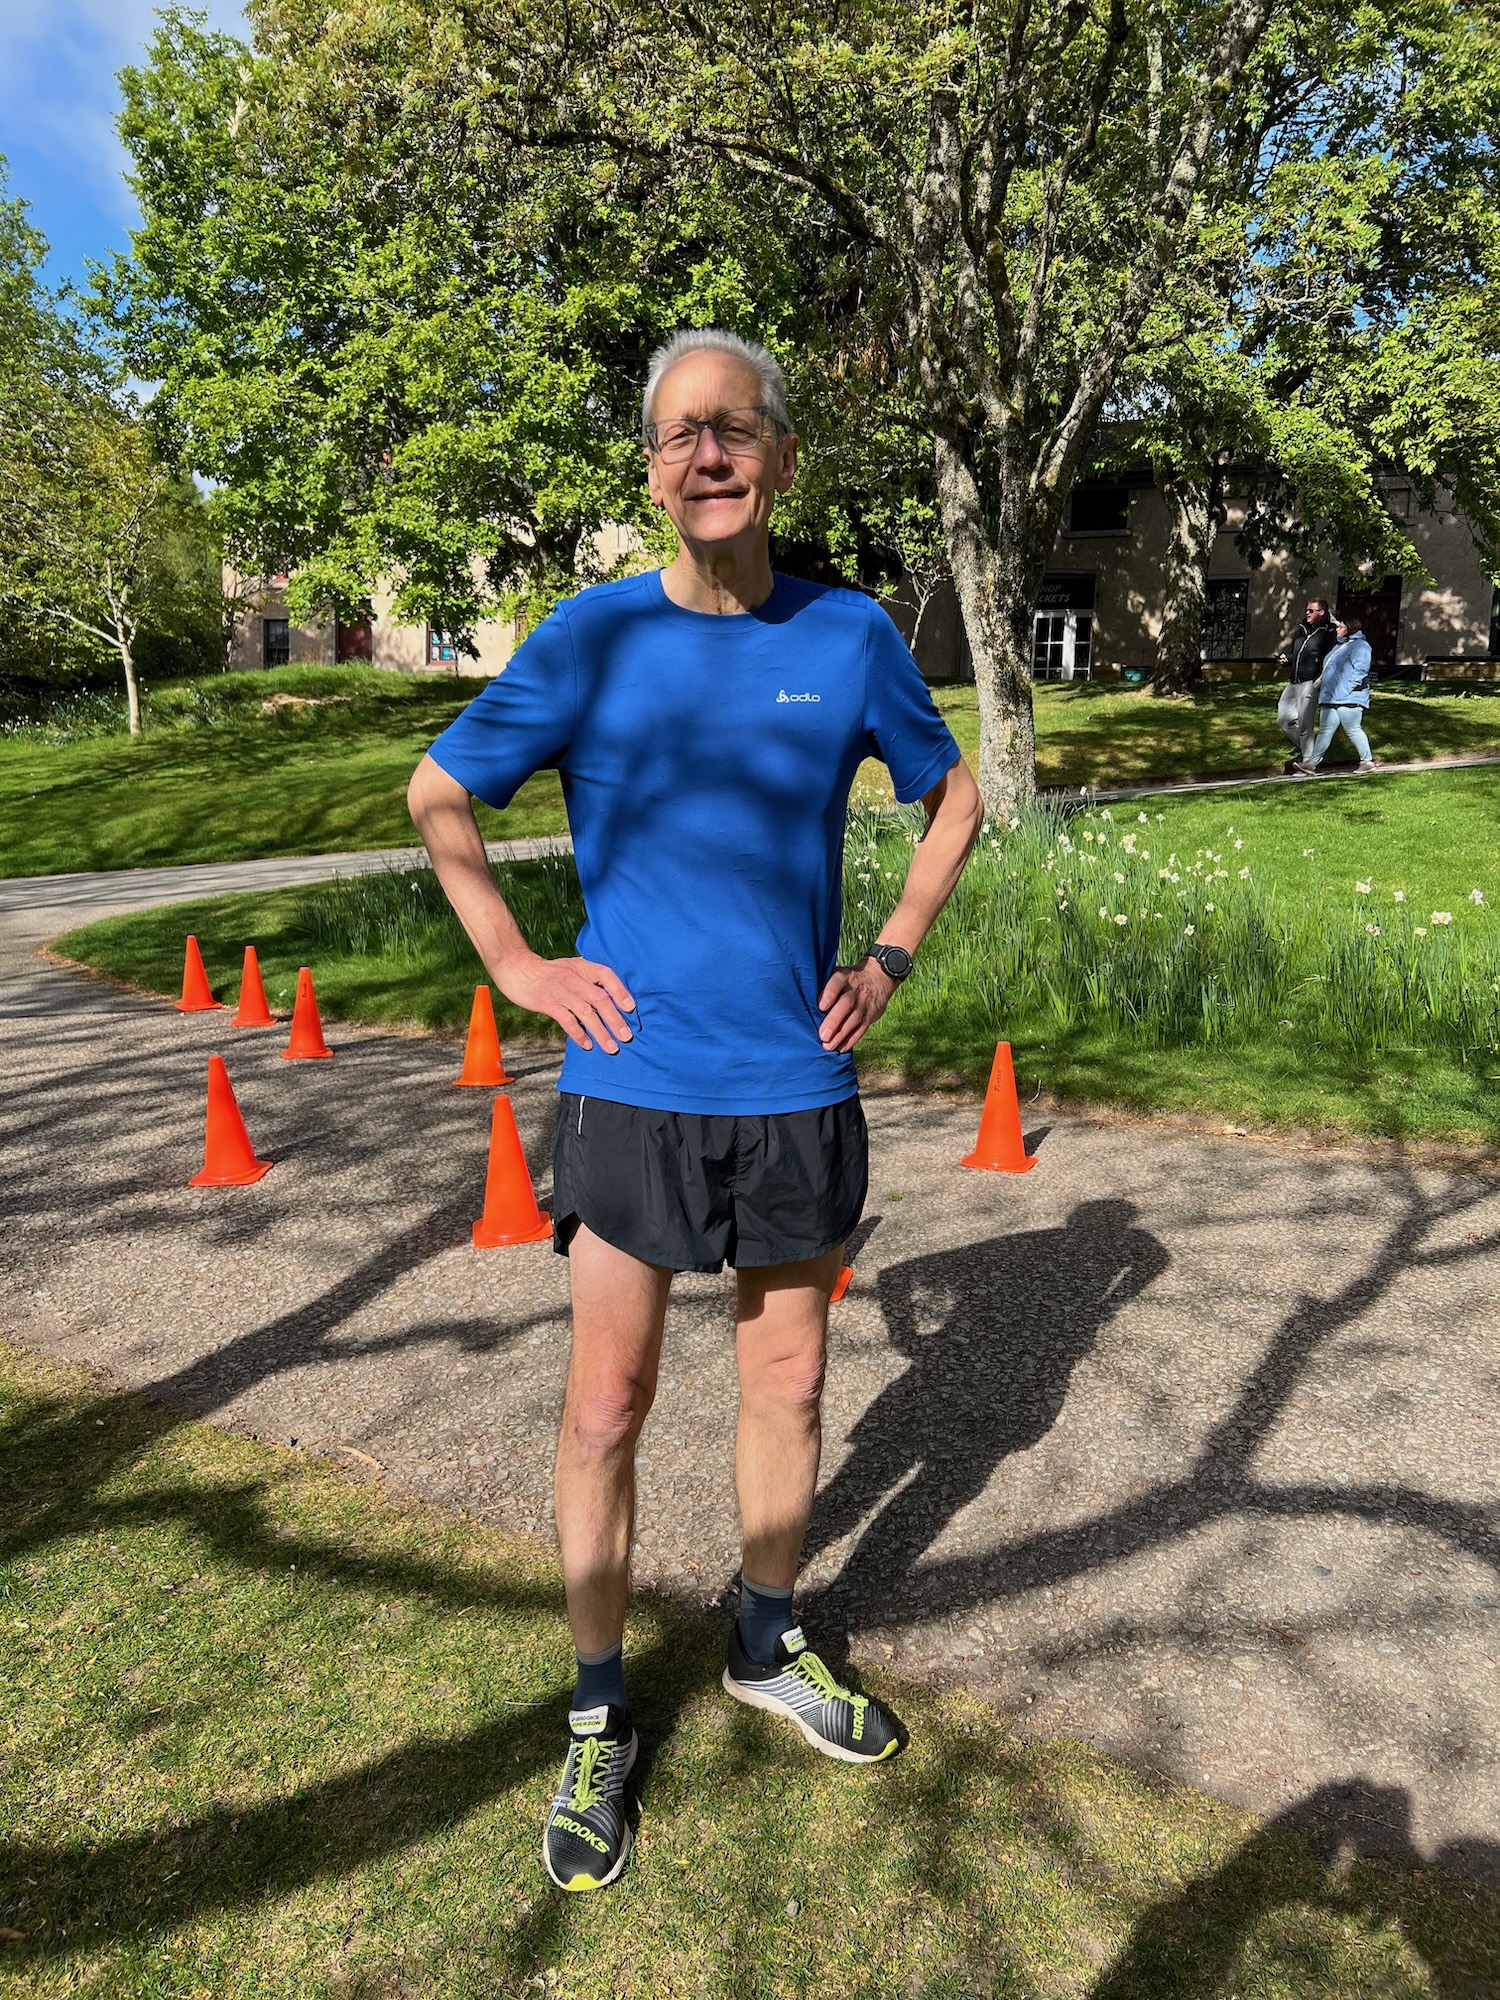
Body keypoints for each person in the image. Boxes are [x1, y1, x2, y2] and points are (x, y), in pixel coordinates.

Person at [407, 327, 982, 1893]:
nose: (706, 455)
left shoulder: (852, 635)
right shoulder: (591, 639)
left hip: (797, 1087)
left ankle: (764, 1638)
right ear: (655, 472)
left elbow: (957, 795)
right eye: (677, 436)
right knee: (606, 1405)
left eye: (734, 428)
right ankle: (598, 1712)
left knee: (786, 1389)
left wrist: (892, 953)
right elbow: (438, 793)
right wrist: (521, 963)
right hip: (631, 1091)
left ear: (784, 458)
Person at [1293, 616, 1376, 775]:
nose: (1337, 629)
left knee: (1353, 729)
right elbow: (1328, 670)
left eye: (1341, 627)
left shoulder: (1361, 646)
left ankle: (1367, 761)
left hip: (1349, 698)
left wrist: (1345, 690)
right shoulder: (1339, 647)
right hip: (1330, 697)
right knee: (1325, 731)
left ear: (1350, 629)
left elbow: (1361, 670)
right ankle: (1311, 764)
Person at [1274, 597, 1338, 771]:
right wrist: (1287, 658)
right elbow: (1298, 652)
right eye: (1306, 610)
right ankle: (1314, 751)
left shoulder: (1328, 631)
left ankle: (1309, 761)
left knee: (1305, 723)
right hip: (1294, 680)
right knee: (1283, 720)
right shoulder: (1302, 629)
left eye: (1311, 610)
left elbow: (1331, 655)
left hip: (1310, 682)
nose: (1307, 613)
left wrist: (1319, 680)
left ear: (1321, 612)